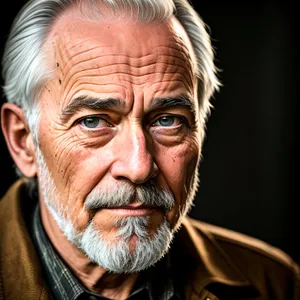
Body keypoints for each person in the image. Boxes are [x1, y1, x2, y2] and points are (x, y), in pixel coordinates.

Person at [0, 0, 299, 299]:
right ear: (23, 140)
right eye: (92, 122)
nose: (138, 167)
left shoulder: (275, 284)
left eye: (168, 121)